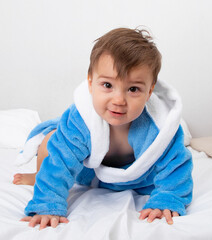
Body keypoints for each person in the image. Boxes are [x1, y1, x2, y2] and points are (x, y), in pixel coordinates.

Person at [13, 27, 193, 230]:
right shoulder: (81, 120)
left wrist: (167, 199)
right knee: (52, 143)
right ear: (90, 83)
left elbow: (176, 164)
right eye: (107, 85)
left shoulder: (160, 128)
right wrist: (48, 204)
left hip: (140, 177)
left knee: (169, 163)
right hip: (89, 170)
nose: (118, 100)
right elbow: (60, 161)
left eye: (133, 89)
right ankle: (39, 175)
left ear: (149, 91)